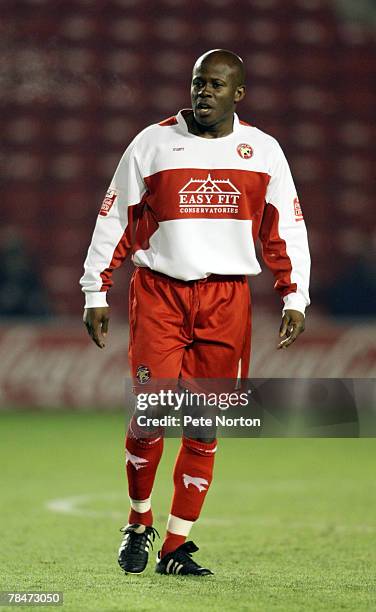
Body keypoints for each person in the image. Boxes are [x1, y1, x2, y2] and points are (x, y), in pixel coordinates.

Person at [80, 49, 310, 576]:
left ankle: (175, 547)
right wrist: (96, 290)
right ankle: (140, 521)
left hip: (227, 300)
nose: (204, 91)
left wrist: (294, 294)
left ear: (238, 94)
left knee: (204, 428)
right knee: (150, 417)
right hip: (160, 293)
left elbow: (286, 229)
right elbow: (115, 218)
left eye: (216, 84)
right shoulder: (152, 143)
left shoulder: (263, 151)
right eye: (197, 82)